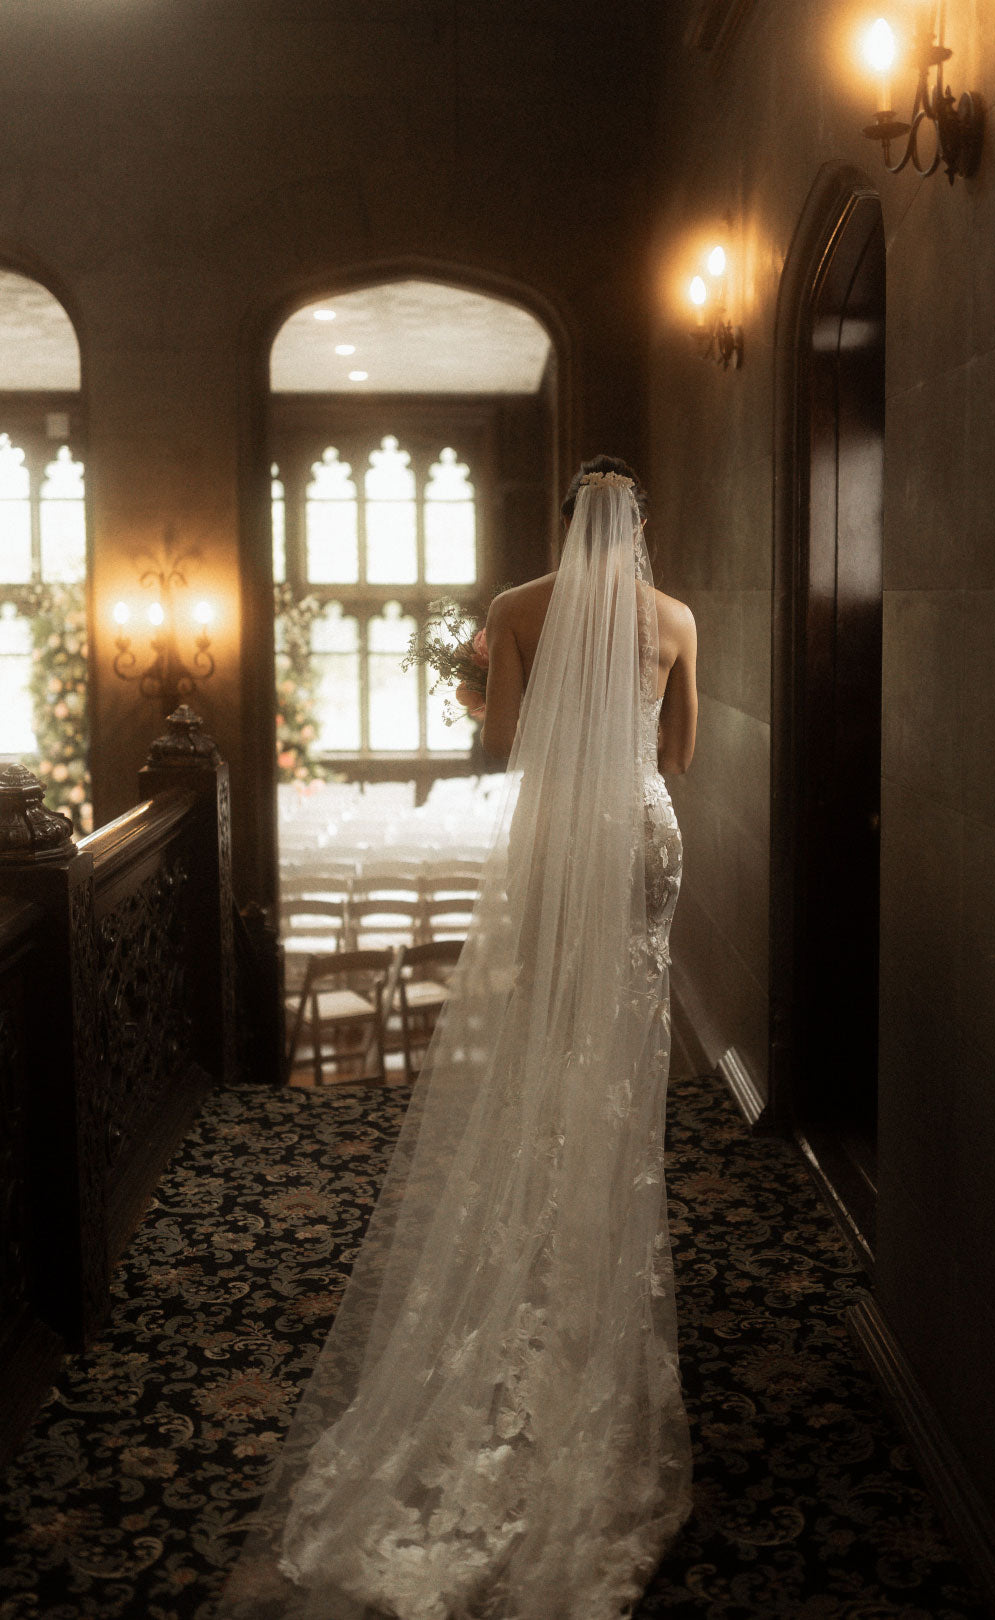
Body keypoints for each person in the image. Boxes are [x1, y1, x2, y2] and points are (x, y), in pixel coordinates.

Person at [219, 456, 698, 1620]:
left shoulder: (515, 610)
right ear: (640, 523)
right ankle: (601, 1229)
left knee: (549, 1037)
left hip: (562, 841)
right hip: (643, 836)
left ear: (563, 519)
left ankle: (535, 1228)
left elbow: (510, 751)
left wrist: (481, 690)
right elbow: (676, 753)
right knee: (625, 1044)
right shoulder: (676, 614)